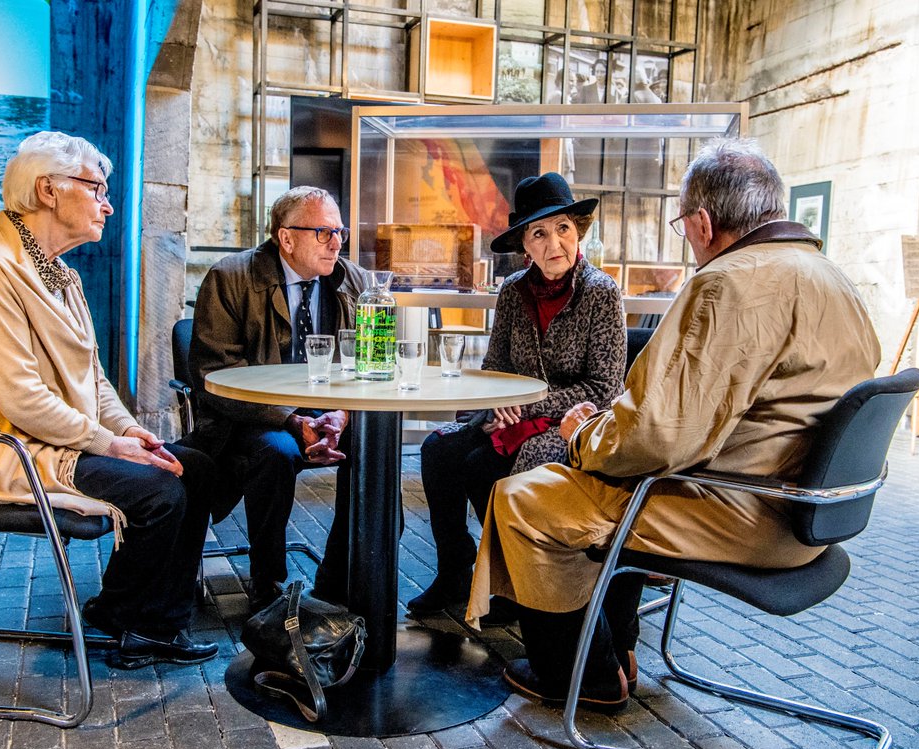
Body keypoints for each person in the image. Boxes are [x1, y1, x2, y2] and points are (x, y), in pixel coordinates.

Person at [466, 138, 881, 712]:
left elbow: (656, 439)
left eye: (682, 224)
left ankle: (584, 676)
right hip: (811, 513)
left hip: (741, 512)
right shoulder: (832, 277)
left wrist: (581, 435)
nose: (685, 237)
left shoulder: (726, 285)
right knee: (592, 485)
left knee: (525, 498)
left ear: (704, 223)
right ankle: (617, 649)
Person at [0, 131, 218, 669]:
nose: (108, 205)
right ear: (48, 190)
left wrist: (129, 430)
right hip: (9, 448)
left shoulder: (58, 272)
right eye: (97, 190)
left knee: (194, 467)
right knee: (159, 490)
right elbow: (20, 399)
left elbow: (95, 377)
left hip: (58, 437)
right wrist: (107, 442)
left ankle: (140, 615)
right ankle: (135, 620)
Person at [409, 172, 626, 616]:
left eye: (563, 228)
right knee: (437, 449)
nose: (554, 244)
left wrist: (527, 402)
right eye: (539, 233)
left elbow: (603, 390)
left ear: (577, 232)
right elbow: (495, 367)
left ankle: (515, 583)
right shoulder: (512, 291)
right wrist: (496, 402)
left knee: (483, 467)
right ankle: (454, 571)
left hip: (573, 426)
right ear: (524, 245)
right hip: (510, 418)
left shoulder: (601, 293)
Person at [184, 186, 370, 611]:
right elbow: (216, 373)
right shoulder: (231, 278)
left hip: (331, 412)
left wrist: (341, 415)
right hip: (253, 420)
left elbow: (372, 366)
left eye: (339, 231)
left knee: (373, 450)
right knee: (276, 452)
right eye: (324, 233)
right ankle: (267, 585)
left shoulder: (354, 282)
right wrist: (292, 420)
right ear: (286, 238)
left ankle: (338, 583)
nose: (337, 243)